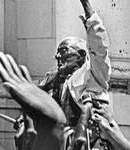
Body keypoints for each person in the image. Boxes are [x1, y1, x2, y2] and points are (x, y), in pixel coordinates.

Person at [39, 0, 111, 149]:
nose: (57, 56)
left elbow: (99, 48)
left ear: (81, 55)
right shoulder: (52, 79)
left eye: (63, 51)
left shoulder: (93, 74)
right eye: (58, 52)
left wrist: (87, 10)